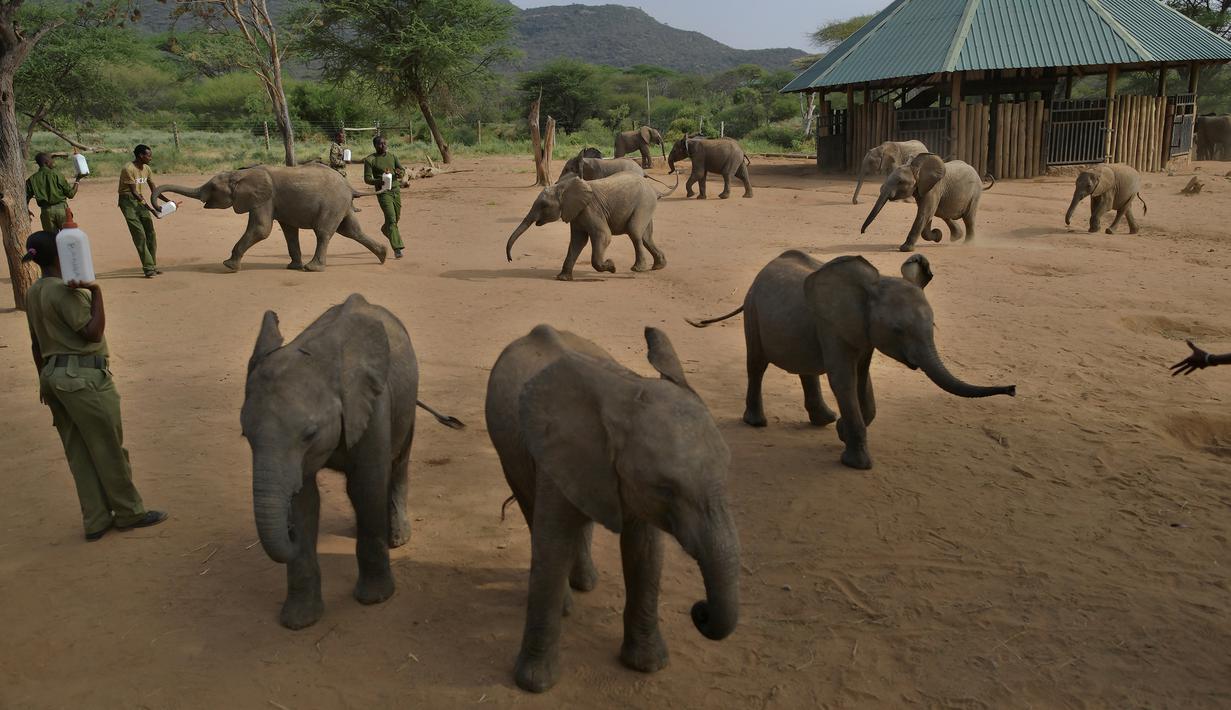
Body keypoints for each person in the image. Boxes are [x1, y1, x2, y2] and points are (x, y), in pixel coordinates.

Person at [22, 230, 168, 542]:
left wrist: (43, 381)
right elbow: (93, 333)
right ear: (60, 256)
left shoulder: (34, 292)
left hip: (53, 376)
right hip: (84, 379)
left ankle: (96, 519)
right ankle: (130, 512)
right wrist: (96, 291)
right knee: (108, 447)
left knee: (78, 451)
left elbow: (36, 343)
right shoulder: (65, 292)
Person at [118, 144, 162, 278]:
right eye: (148, 155)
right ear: (140, 156)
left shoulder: (147, 168)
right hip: (128, 202)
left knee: (151, 234)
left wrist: (167, 202)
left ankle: (152, 265)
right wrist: (151, 209)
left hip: (140, 201)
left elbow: (155, 190)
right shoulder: (128, 169)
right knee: (139, 235)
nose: (150, 158)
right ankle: (148, 268)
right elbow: (134, 192)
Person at [363, 135, 404, 259]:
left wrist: (399, 173)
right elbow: (367, 179)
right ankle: (397, 248)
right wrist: (380, 181)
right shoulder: (370, 160)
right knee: (391, 219)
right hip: (383, 192)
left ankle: (386, 230)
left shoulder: (392, 157)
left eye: (385, 143)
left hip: (396, 190)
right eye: (380, 144)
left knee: (396, 218)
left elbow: (401, 170)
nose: (383, 146)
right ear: (375, 146)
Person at [25, 152, 80, 233]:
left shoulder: (32, 179)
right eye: (51, 160)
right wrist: (78, 180)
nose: (53, 162)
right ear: (46, 163)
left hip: (46, 213)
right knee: (68, 237)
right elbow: (71, 194)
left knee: (50, 240)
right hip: (62, 210)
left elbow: (25, 198)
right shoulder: (56, 174)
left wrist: (27, 209)